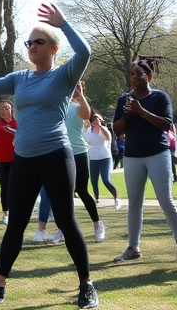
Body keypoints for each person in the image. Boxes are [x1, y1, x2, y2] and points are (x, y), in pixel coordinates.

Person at [0, 3, 98, 309]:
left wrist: (64, 23)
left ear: (53, 48)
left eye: (38, 42)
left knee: (65, 219)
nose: (32, 46)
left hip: (56, 155)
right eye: (29, 43)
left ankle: (86, 285)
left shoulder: (64, 74)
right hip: (24, 159)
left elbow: (85, 52)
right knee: (16, 223)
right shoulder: (21, 77)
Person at [111, 57, 177, 265]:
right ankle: (133, 247)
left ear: (149, 77)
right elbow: (117, 130)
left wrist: (141, 111)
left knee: (166, 201)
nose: (135, 78)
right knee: (134, 204)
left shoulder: (159, 97)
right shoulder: (124, 100)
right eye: (132, 74)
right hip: (133, 156)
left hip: (157, 153)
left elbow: (166, 125)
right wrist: (127, 115)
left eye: (140, 74)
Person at [66, 83, 106, 243]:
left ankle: (98, 225)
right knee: (64, 193)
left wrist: (80, 95)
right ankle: (64, 230)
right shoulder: (55, 107)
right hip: (62, 154)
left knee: (82, 190)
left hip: (79, 153)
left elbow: (87, 113)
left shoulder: (77, 107)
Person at [85, 112, 120, 211]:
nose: (96, 122)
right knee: (93, 180)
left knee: (106, 179)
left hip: (105, 158)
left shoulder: (104, 130)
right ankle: (96, 200)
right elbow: (87, 140)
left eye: (98, 120)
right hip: (93, 158)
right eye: (94, 120)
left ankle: (116, 199)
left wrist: (100, 128)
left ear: (101, 121)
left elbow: (108, 139)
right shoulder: (88, 131)